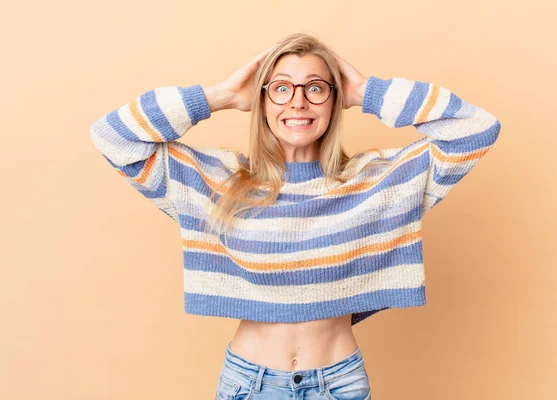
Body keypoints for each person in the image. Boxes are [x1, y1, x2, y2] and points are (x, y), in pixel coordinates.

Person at [90, 33, 501, 399]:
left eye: (316, 88)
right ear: (262, 99)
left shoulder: (377, 183)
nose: (298, 102)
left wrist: (366, 91)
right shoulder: (218, 182)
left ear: (335, 100)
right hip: (248, 385)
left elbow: (476, 129)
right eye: (281, 89)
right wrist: (222, 95)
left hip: (341, 384)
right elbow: (112, 136)